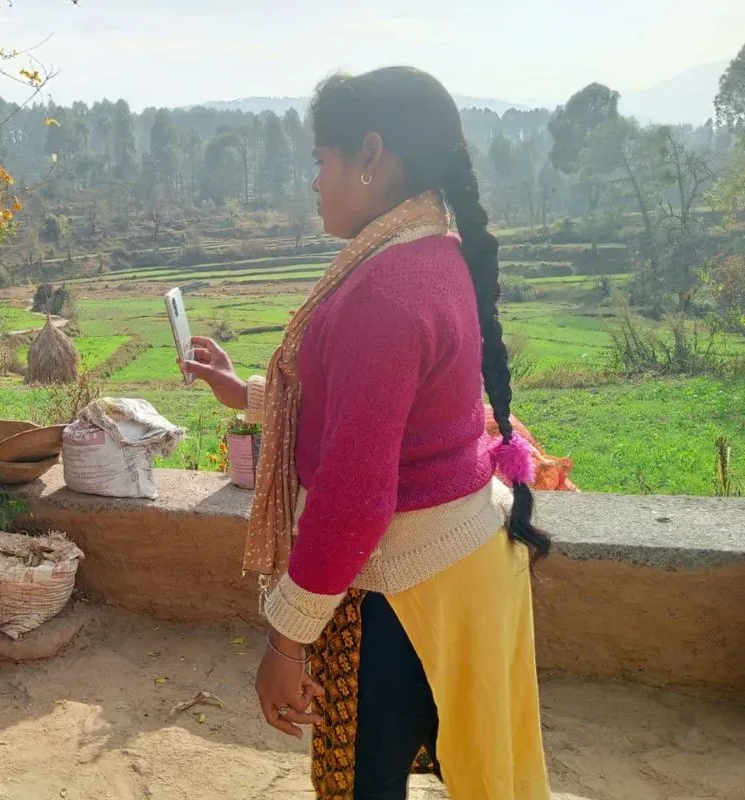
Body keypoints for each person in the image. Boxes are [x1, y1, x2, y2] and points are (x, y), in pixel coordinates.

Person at [182, 67, 551, 799]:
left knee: (361, 787)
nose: (313, 182)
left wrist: (285, 639)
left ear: (371, 155)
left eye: (321, 161)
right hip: (464, 566)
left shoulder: (383, 290)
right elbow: (383, 413)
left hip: (403, 591)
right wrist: (253, 395)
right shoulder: (430, 255)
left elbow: (353, 498)